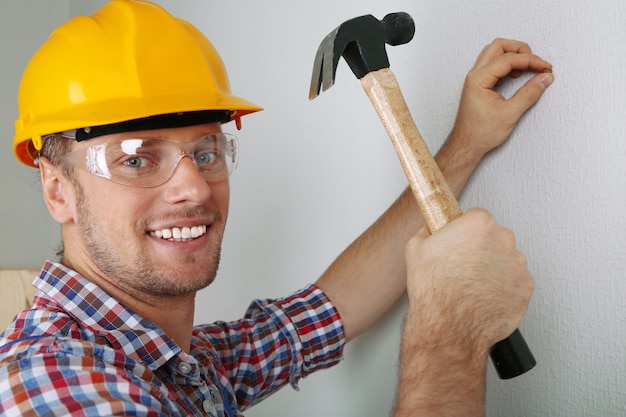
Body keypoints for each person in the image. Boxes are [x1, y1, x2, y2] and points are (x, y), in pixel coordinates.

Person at [0, 1, 552, 416]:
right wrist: (450, 327)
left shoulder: (178, 362)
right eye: (137, 160)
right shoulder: (58, 384)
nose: (193, 186)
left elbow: (324, 312)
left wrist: (465, 144)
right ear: (57, 191)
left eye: (207, 150)